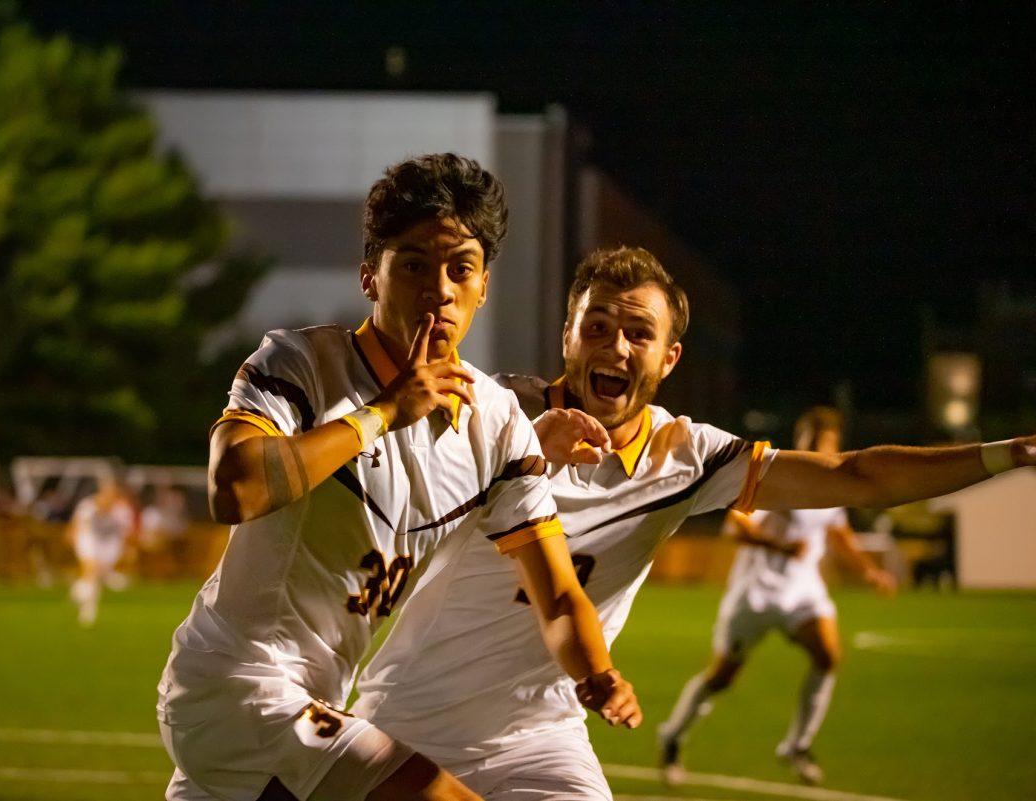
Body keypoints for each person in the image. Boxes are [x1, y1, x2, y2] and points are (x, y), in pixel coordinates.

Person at [353, 245, 1036, 799]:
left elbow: (856, 475)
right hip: (409, 720)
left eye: (638, 334)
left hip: (540, 735)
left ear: (668, 357)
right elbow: (379, 461)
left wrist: (1010, 452)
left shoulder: (688, 457)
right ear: (567, 335)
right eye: (596, 326)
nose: (615, 346)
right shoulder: (493, 413)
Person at [156, 155, 638, 801]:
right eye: (413, 264)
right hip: (239, 686)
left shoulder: (496, 424)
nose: (439, 289)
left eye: (460, 268)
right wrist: (383, 412)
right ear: (370, 277)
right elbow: (234, 487)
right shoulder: (301, 365)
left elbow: (555, 594)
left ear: (483, 285)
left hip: (316, 700)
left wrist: (597, 671)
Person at [659, 406, 895, 786]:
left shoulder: (834, 488)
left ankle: (797, 746)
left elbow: (838, 533)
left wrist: (869, 570)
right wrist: (779, 548)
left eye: (830, 442)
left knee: (828, 656)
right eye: (817, 441)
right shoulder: (778, 478)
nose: (824, 449)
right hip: (756, 594)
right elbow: (735, 528)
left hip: (803, 593)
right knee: (721, 677)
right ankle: (672, 735)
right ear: (803, 441)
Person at [68, 478, 137, 627]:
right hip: (89, 539)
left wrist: (127, 548)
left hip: (109, 544)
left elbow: (126, 531)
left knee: (97, 575)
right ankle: (88, 610)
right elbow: (77, 525)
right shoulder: (87, 506)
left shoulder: (121, 510)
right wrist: (74, 538)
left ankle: (79, 593)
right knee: (91, 571)